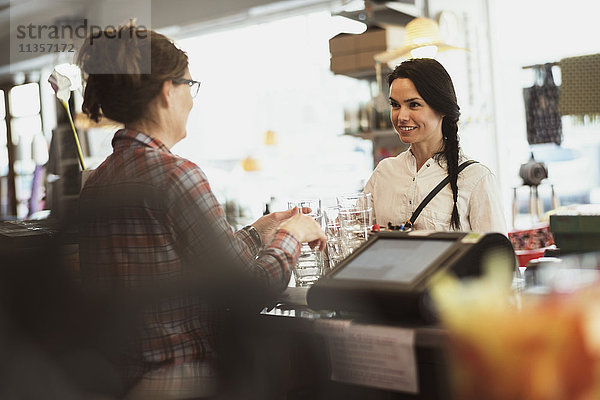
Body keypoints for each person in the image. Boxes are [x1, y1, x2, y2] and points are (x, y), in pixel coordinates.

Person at [76, 25, 326, 397]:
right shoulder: (177, 174)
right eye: (189, 86)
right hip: (188, 381)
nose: (192, 100)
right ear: (166, 91)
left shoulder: (97, 182)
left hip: (121, 383)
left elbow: (202, 265)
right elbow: (244, 293)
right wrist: (294, 234)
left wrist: (260, 232)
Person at [364, 58, 506, 234]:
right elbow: (354, 235)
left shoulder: (476, 179)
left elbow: (498, 255)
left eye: (414, 105)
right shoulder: (384, 173)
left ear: (442, 108)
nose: (401, 116)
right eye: (395, 105)